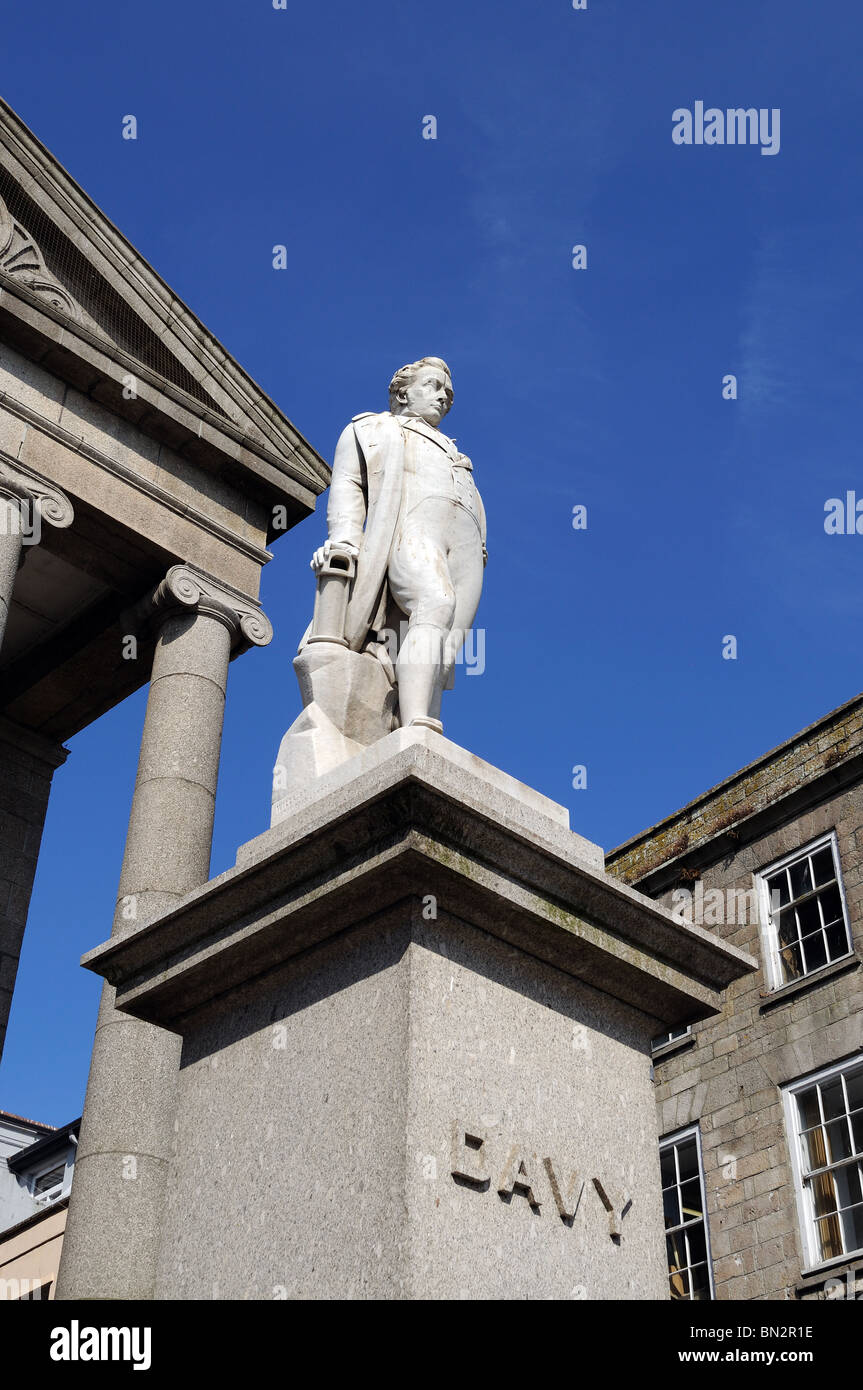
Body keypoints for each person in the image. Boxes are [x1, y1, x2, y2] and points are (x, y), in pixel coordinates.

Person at [310, 357, 486, 732]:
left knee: (447, 644)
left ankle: (415, 718)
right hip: (409, 531)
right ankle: (418, 729)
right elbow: (348, 486)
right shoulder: (372, 428)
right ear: (403, 392)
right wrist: (342, 539)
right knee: (434, 602)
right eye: (434, 386)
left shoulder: (457, 454)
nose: (444, 398)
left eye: (449, 394)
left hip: (465, 548)